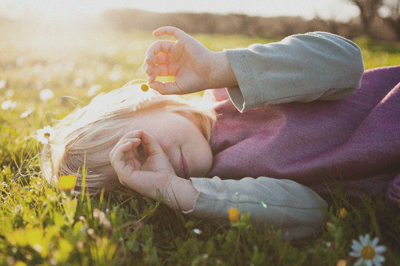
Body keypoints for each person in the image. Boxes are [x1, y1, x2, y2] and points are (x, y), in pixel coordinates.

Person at [41, 26, 400, 239]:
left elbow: (347, 63)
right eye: (135, 183)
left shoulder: (234, 86)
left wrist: (221, 68)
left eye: (139, 148)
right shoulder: (218, 190)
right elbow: (311, 212)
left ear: (150, 105)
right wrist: (173, 190)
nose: (160, 163)